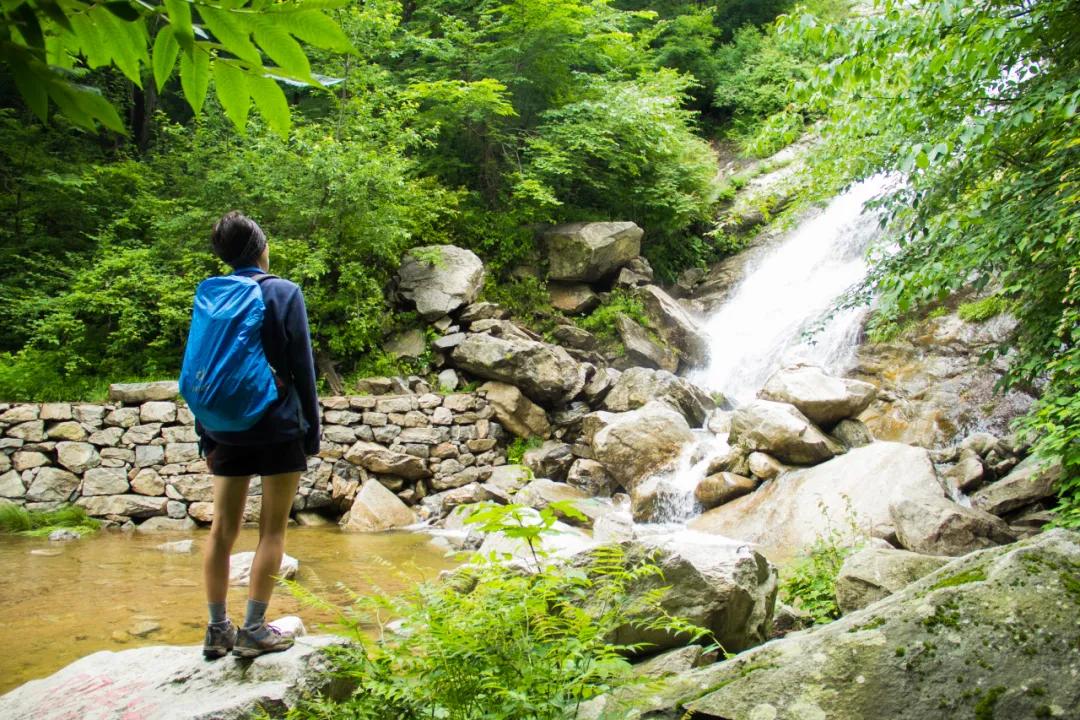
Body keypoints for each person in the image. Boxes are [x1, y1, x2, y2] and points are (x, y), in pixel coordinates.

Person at [194, 211, 320, 659]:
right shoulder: (283, 292)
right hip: (277, 425)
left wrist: (205, 430)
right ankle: (253, 629)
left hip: (224, 428)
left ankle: (216, 629)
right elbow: (303, 368)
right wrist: (311, 432)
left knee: (221, 531)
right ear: (262, 248)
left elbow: (201, 364)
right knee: (272, 532)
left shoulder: (212, 295)